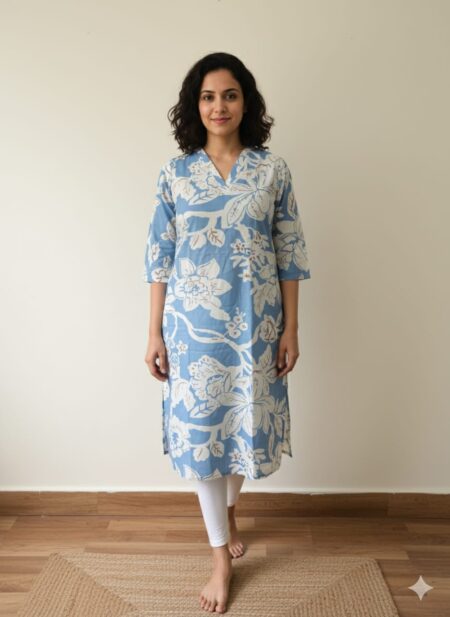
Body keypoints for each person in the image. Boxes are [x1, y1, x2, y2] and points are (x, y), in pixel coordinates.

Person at [143, 52, 311, 613]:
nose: (220, 106)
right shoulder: (175, 173)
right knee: (201, 440)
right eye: (209, 96)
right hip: (191, 331)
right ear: (195, 105)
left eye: (230, 95)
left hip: (256, 328)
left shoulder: (272, 170)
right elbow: (159, 257)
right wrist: (153, 332)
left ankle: (230, 513)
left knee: (242, 431)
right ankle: (220, 559)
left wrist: (291, 328)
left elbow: (290, 253)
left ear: (246, 102)